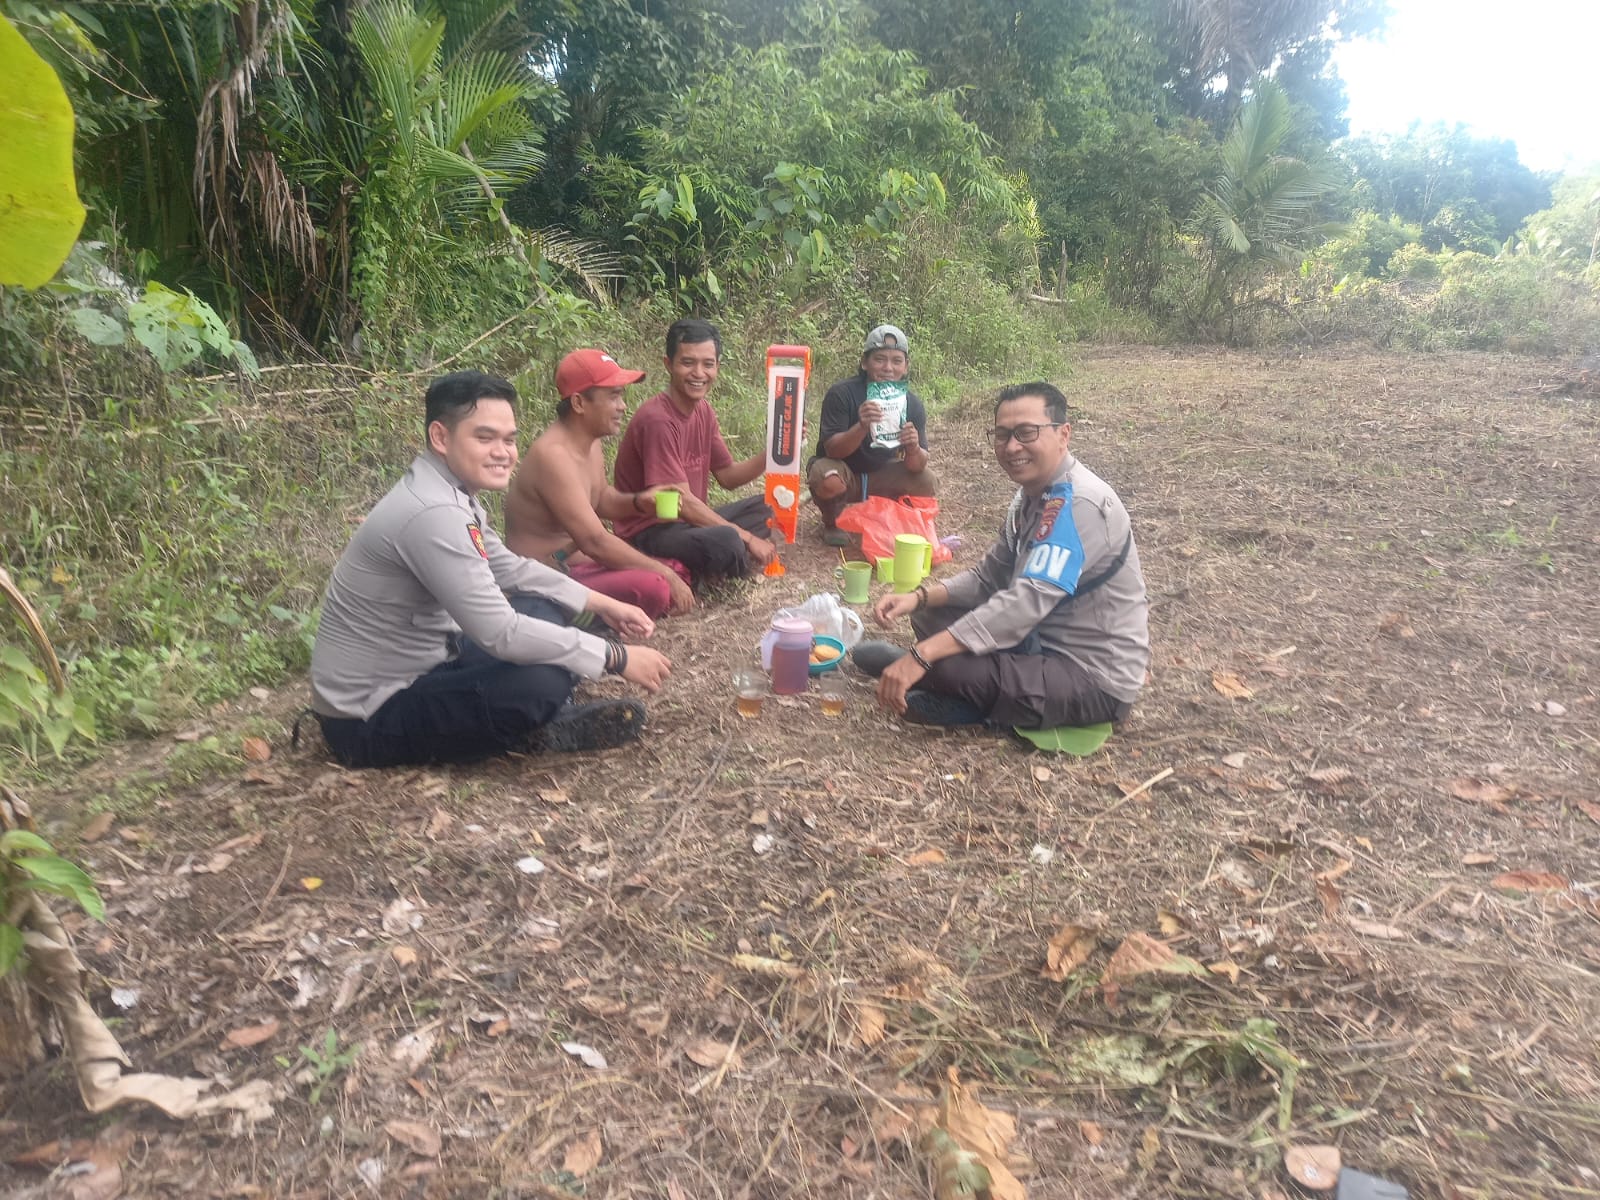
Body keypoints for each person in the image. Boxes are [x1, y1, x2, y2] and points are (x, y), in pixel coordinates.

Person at [310, 370, 672, 768]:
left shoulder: (449, 491)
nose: (503, 452)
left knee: (544, 609)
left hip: (432, 659)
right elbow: (500, 632)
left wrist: (602, 602)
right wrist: (616, 657)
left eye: (509, 439)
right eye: (485, 438)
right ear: (441, 437)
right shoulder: (435, 513)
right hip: (368, 718)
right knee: (541, 681)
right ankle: (543, 717)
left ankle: (546, 710)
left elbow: (509, 568)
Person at [851, 381, 1148, 730]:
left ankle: (958, 698)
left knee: (944, 658)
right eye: (1002, 434)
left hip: (1089, 674)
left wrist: (923, 654)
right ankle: (935, 676)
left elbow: (1025, 602)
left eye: (1026, 433)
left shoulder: (1079, 503)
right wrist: (918, 598)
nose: (1011, 447)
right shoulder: (1028, 498)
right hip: (1035, 643)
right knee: (932, 615)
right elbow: (988, 577)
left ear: (1063, 434)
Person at [504, 348, 696, 619]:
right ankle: (581, 618)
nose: (623, 406)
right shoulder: (553, 455)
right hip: (542, 577)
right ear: (579, 403)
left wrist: (640, 501)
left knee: (677, 569)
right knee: (657, 585)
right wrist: (663, 573)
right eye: (614, 396)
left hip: (579, 563)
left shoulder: (590, 441)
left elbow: (602, 498)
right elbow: (594, 541)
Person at [611, 318, 778, 582]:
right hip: (651, 531)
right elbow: (682, 504)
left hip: (687, 523)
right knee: (728, 540)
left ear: (717, 367)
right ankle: (678, 569)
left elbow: (728, 476)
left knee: (767, 507)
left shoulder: (704, 412)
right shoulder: (657, 420)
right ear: (669, 364)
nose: (699, 373)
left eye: (707, 364)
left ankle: (707, 562)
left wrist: (776, 450)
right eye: (688, 362)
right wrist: (746, 537)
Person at [807, 324, 937, 546]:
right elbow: (832, 449)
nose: (888, 367)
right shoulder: (842, 393)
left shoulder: (911, 403)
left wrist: (913, 448)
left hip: (881, 474)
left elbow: (917, 465)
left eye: (897, 361)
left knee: (927, 482)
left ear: (906, 367)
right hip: (844, 472)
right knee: (829, 480)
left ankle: (892, 518)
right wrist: (862, 426)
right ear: (864, 362)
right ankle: (833, 521)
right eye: (880, 359)